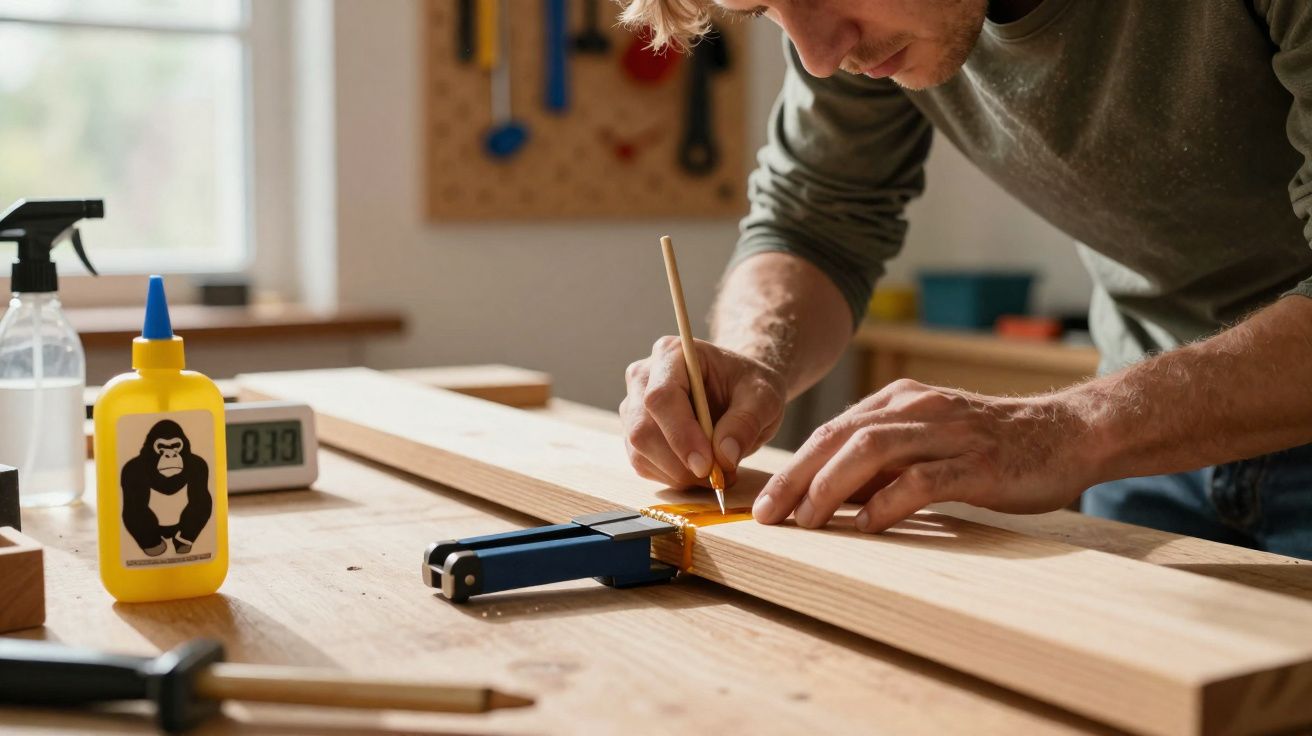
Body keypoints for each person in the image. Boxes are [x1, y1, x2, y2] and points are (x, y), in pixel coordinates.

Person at [616, 0, 1312, 559]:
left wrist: (1066, 429)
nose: (819, 56)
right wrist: (754, 359)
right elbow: (813, 223)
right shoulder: (848, 27)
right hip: (1147, 449)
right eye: (763, 9)